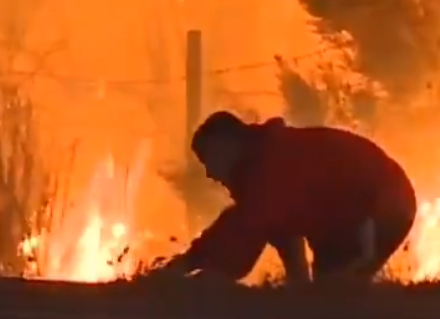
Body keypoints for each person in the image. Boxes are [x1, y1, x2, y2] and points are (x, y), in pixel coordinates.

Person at [159, 111, 417, 283]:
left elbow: (240, 234)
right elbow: (283, 234)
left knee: (334, 297)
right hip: (353, 215)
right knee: (322, 297)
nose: (209, 173)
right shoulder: (265, 166)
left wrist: (190, 268)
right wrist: (297, 285)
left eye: (208, 160)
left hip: (380, 205)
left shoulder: (269, 167)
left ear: (227, 145)